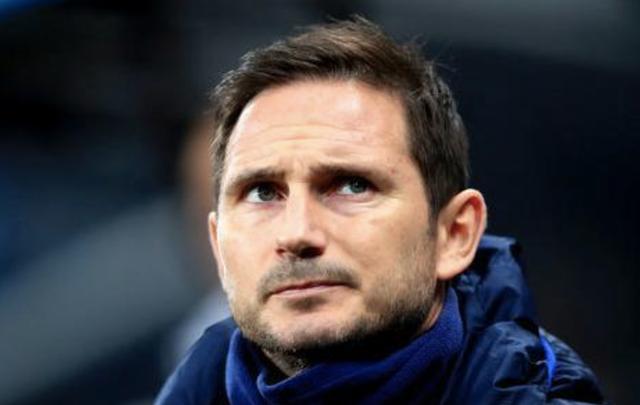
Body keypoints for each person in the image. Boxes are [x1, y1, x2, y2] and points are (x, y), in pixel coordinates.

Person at [156, 17, 604, 404]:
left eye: (352, 186)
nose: (296, 232)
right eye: (262, 192)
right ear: (218, 245)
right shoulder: (195, 384)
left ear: (454, 234)